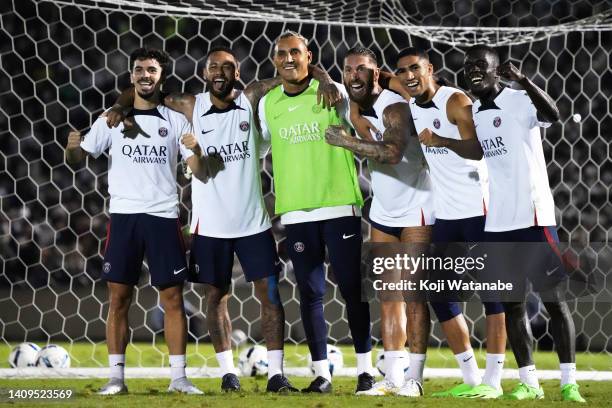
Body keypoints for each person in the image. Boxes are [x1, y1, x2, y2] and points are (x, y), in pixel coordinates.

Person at [105, 46, 339, 393]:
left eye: (227, 67)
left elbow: (295, 72)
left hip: (254, 223)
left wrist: (323, 76)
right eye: (212, 66)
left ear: (237, 73)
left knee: (271, 294)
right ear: (204, 74)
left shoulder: (252, 97)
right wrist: (120, 105)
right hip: (209, 226)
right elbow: (147, 88)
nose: (219, 71)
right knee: (216, 298)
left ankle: (276, 374)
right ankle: (228, 374)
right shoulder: (189, 106)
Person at [65, 47, 204, 395]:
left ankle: (179, 379)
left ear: (161, 77)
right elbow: (77, 158)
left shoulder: (175, 121)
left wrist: (197, 151)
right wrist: (71, 147)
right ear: (131, 76)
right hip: (124, 218)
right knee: (118, 299)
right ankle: (116, 379)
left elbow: (198, 171)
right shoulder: (110, 120)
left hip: (163, 216)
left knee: (172, 300)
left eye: (152, 70)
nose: (145, 75)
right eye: (140, 69)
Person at [461, 44, 584, 402]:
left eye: (481, 65)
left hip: (533, 218)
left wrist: (527, 81)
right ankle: (529, 382)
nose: (473, 71)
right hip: (499, 223)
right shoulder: (475, 113)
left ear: (498, 70)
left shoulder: (519, 100)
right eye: (469, 66)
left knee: (554, 303)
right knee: (512, 305)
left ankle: (568, 383)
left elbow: (553, 113)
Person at [257, 32, 374, 394]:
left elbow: (363, 125)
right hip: (296, 213)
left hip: (339, 204)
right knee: (310, 295)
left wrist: (325, 78)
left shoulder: (334, 91)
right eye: (282, 54)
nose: (288, 58)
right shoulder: (268, 104)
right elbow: (257, 145)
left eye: (296, 52)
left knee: (352, 290)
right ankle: (322, 374)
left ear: (310, 56)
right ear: (274, 60)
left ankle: (365, 372)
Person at [392, 47, 507, 399]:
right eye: (403, 71)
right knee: (438, 295)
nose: (409, 76)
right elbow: (383, 78)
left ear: (431, 69)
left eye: (415, 69)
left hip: (480, 213)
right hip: (447, 216)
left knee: (494, 296)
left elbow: (478, 149)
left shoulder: (455, 101)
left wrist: (440, 140)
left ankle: (494, 381)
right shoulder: (409, 96)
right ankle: (471, 377)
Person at [323, 46, 433, 397]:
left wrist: (348, 142)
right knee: (388, 296)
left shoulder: (396, 106)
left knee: (415, 297)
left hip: (417, 206)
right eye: (348, 69)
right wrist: (325, 77)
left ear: (376, 73)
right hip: (383, 211)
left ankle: (414, 379)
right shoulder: (355, 105)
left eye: (362, 69)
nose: (354, 74)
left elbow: (393, 152)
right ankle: (392, 379)